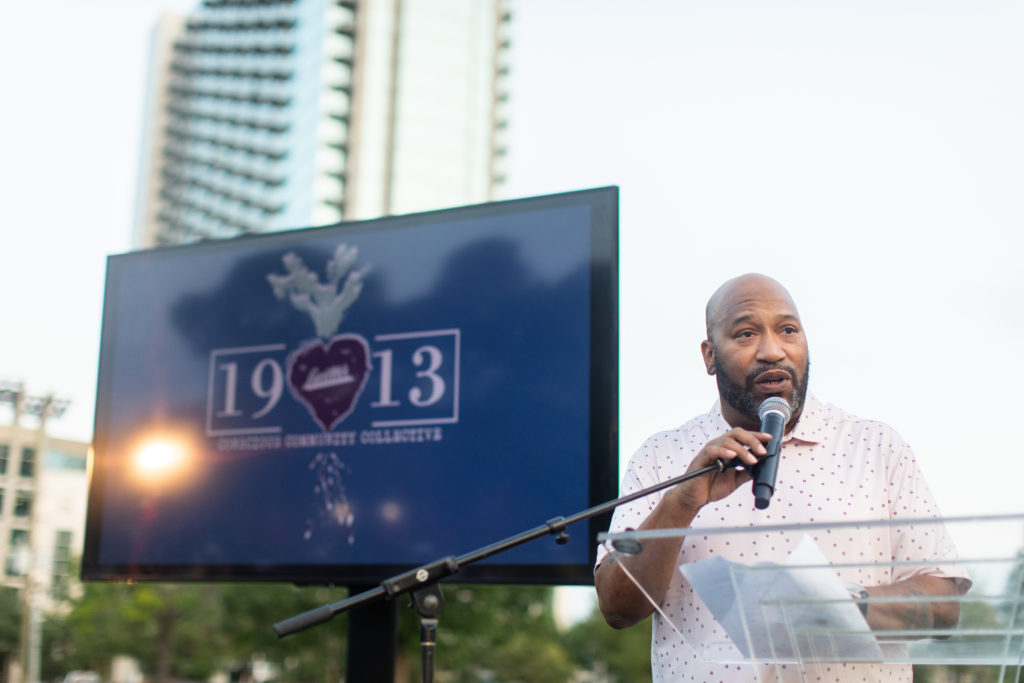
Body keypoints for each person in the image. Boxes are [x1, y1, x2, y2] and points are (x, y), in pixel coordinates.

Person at [594, 273, 970, 682]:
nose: (772, 351)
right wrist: (680, 503)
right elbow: (617, 607)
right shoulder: (661, 457)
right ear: (709, 355)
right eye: (746, 333)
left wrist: (838, 605)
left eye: (788, 330)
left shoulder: (876, 447)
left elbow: (943, 606)